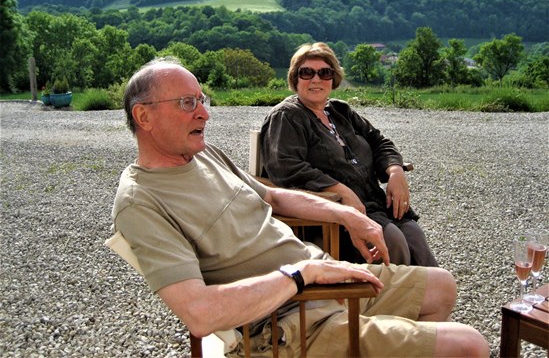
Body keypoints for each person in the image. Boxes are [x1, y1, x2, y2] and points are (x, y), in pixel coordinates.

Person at [111, 56, 489, 357]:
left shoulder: (204, 154)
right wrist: (301, 274)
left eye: (202, 100)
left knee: (442, 286)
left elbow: (272, 196)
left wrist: (345, 213)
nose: (205, 113)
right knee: (470, 346)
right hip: (286, 323)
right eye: (187, 103)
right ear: (143, 116)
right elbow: (200, 313)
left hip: (320, 279)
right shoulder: (140, 200)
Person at [260, 42, 438, 267]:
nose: (316, 79)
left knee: (414, 236)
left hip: (373, 203)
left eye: (324, 73)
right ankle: (388, 300)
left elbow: (378, 140)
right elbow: (284, 167)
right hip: (332, 216)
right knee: (393, 242)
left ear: (333, 78)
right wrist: (339, 190)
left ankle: (432, 298)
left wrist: (395, 171)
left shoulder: (340, 111)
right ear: (295, 78)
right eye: (307, 72)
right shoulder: (287, 117)